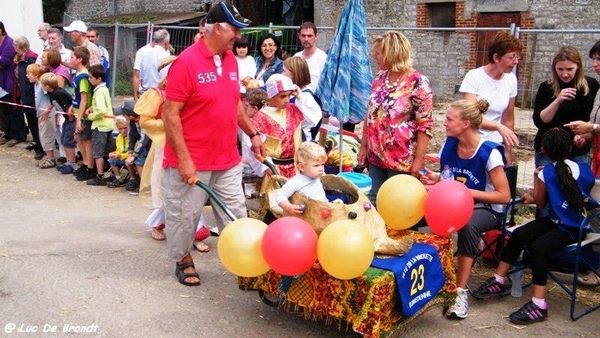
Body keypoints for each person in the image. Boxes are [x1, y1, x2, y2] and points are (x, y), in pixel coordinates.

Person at [161, 1, 261, 286]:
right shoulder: (186, 63)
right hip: (192, 158)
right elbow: (170, 114)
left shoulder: (230, 59)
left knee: (236, 215)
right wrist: (184, 159)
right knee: (185, 217)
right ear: (217, 28)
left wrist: (253, 134)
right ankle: (183, 259)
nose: (238, 36)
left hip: (226, 157)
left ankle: (245, 262)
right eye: (235, 29)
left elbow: (234, 103)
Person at [471, 127, 596, 324]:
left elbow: (539, 202)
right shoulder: (585, 170)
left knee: (538, 248)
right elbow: (577, 191)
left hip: (570, 229)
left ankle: (539, 304)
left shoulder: (547, 172)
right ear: (570, 147)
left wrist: (537, 179)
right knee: (519, 234)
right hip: (574, 222)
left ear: (544, 150)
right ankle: (499, 279)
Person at [420, 99, 511, 320]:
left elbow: (504, 196)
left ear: (466, 124)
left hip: (487, 208)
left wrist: (466, 192)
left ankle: (460, 292)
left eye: (450, 119)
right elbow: (452, 176)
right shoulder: (449, 144)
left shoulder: (489, 153)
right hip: (454, 203)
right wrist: (438, 178)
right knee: (416, 210)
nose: (444, 123)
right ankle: (419, 281)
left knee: (468, 225)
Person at [356, 31, 433, 206]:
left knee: (397, 204)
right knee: (374, 201)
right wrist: (364, 146)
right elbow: (371, 114)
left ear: (392, 54)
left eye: (378, 53)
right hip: (376, 155)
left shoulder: (418, 82)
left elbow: (425, 124)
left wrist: (419, 160)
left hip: (401, 159)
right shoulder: (380, 78)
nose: (375, 57)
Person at [459, 31, 521, 165]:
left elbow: (508, 118)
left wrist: (507, 151)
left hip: (494, 144)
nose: (516, 61)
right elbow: (470, 117)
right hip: (472, 141)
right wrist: (498, 127)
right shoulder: (474, 77)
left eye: (517, 57)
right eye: (511, 57)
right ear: (496, 57)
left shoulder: (511, 79)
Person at [533, 46, 600, 168]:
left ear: (578, 66)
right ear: (554, 68)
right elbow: (539, 121)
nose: (564, 74)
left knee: (576, 186)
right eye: (560, 69)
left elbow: (592, 120)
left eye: (569, 69)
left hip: (577, 151)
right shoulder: (546, 87)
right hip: (549, 151)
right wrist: (557, 101)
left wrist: (584, 136)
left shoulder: (591, 85)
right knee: (547, 185)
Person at [244, 73, 304, 179]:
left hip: (297, 171)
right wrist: (265, 168)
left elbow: (314, 118)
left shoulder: (295, 110)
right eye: (282, 96)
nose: (287, 100)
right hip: (274, 171)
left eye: (289, 95)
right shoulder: (259, 118)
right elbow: (251, 149)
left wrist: (300, 97)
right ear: (271, 95)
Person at [83, 64, 115, 186]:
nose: (89, 80)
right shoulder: (104, 89)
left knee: (98, 153)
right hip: (108, 125)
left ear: (99, 78)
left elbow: (101, 110)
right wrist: (93, 107)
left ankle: (100, 175)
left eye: (91, 77)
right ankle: (113, 173)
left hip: (100, 126)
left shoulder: (98, 92)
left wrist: (90, 116)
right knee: (109, 150)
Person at [274, 141, 328, 215]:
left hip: (323, 210)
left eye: (322, 164)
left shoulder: (318, 175)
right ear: (302, 167)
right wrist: (289, 207)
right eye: (316, 165)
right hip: (308, 215)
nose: (321, 168)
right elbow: (280, 196)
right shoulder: (297, 182)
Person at [40, 72, 76, 174]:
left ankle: (72, 163)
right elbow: (53, 103)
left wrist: (70, 120)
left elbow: (69, 106)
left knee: (69, 140)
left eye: (42, 85)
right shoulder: (52, 93)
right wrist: (47, 111)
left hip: (71, 119)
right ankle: (68, 161)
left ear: (47, 86)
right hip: (66, 118)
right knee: (64, 139)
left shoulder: (59, 93)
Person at [70, 46, 96, 181]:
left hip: (84, 115)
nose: (70, 60)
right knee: (80, 139)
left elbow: (84, 99)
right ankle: (85, 163)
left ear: (79, 60)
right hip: (76, 112)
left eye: (72, 58)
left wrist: (79, 119)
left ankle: (90, 167)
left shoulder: (84, 77)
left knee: (86, 140)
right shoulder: (77, 75)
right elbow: (76, 97)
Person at [282, 56, 322, 141]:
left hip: (300, 140)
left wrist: (300, 98)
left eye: (284, 71)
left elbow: (313, 119)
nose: (282, 74)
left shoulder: (306, 96)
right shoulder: (289, 93)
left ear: (294, 73)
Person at [12, 36, 40, 154]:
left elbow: (33, 75)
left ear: (19, 46)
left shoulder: (30, 58)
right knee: (30, 119)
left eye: (15, 45)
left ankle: (39, 146)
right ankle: (35, 141)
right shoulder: (21, 58)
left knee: (34, 120)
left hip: (30, 94)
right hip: (25, 93)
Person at [26, 63, 57, 168]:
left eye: (29, 74)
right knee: (43, 136)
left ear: (36, 75)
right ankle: (48, 156)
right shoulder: (36, 85)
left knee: (46, 135)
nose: (27, 76)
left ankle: (51, 158)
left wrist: (47, 111)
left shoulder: (42, 86)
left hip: (46, 115)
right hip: (41, 113)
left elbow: (51, 99)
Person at [293, 21, 327, 93]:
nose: (306, 39)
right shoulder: (296, 57)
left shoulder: (323, 58)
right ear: (299, 36)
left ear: (316, 36)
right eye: (303, 35)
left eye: (309, 36)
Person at [138, 29, 170, 95]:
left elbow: (140, 78)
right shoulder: (166, 57)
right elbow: (166, 79)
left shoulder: (145, 55)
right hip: (158, 94)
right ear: (166, 42)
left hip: (145, 92)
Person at [0, 21, 18, 145]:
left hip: (7, 79)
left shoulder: (9, 43)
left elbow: (4, 62)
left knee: (12, 108)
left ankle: (16, 134)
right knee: (3, 109)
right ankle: (7, 132)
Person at [107, 116, 129, 185]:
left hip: (130, 156)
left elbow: (132, 151)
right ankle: (118, 178)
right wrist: (114, 153)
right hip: (123, 156)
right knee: (112, 159)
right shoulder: (119, 137)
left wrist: (120, 155)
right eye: (120, 129)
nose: (123, 131)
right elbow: (119, 149)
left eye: (125, 128)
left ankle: (133, 178)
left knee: (129, 162)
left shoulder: (132, 136)